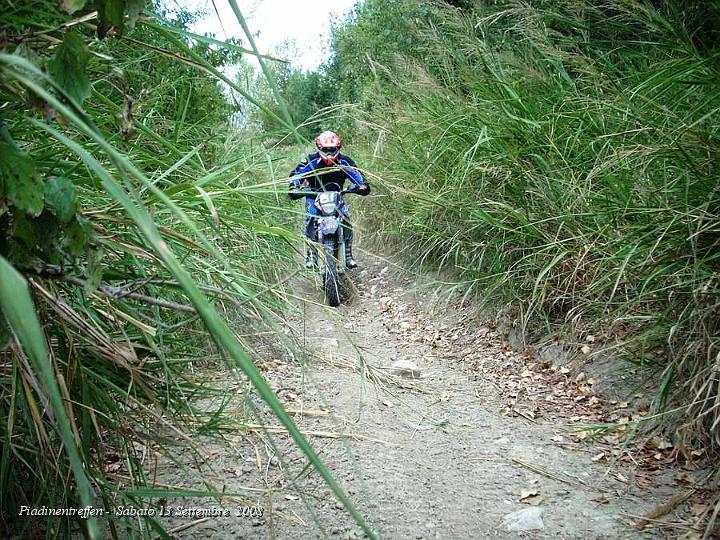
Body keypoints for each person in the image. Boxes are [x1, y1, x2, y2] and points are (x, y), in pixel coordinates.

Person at [288, 130, 369, 269]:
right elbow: (296, 175)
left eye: (332, 150)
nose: (329, 153)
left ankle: (348, 255)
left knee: (346, 219)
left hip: (337, 197)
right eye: (326, 150)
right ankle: (311, 254)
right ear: (319, 148)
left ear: (338, 148)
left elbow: (358, 177)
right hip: (314, 198)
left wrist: (361, 186)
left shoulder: (345, 162)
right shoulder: (310, 161)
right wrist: (294, 187)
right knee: (310, 220)